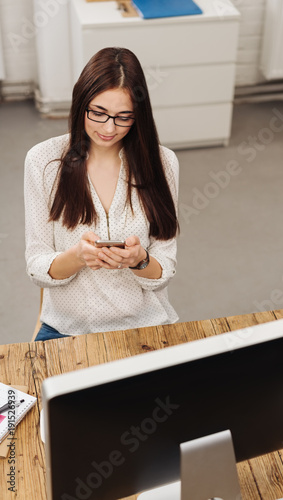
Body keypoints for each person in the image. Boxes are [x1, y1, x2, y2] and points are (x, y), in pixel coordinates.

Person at [24, 47, 179, 341]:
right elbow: (37, 266)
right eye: (98, 113)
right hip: (65, 329)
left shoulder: (164, 163)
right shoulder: (42, 161)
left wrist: (139, 260)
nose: (109, 128)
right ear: (81, 103)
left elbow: (165, 268)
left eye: (124, 117)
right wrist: (77, 257)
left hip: (145, 325)